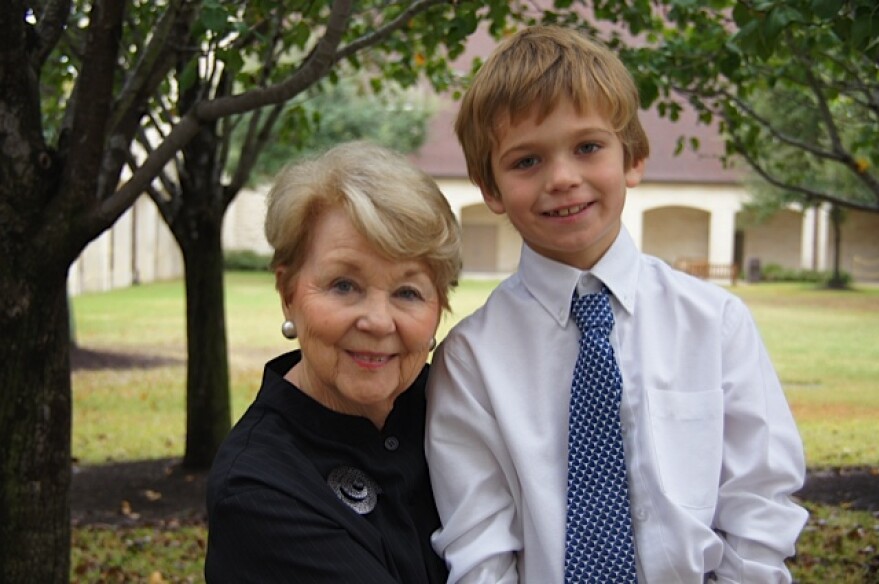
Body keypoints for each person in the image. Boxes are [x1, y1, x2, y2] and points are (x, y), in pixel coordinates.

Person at [425, 25, 808, 583]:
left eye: (587, 147)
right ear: (491, 189)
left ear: (633, 157)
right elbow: (478, 541)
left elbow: (759, 500)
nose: (562, 178)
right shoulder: (470, 359)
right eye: (526, 161)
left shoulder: (715, 324)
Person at [205, 141, 460, 583]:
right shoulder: (259, 490)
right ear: (288, 294)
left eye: (407, 292)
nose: (379, 322)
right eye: (344, 285)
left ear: (439, 306)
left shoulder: (468, 410)